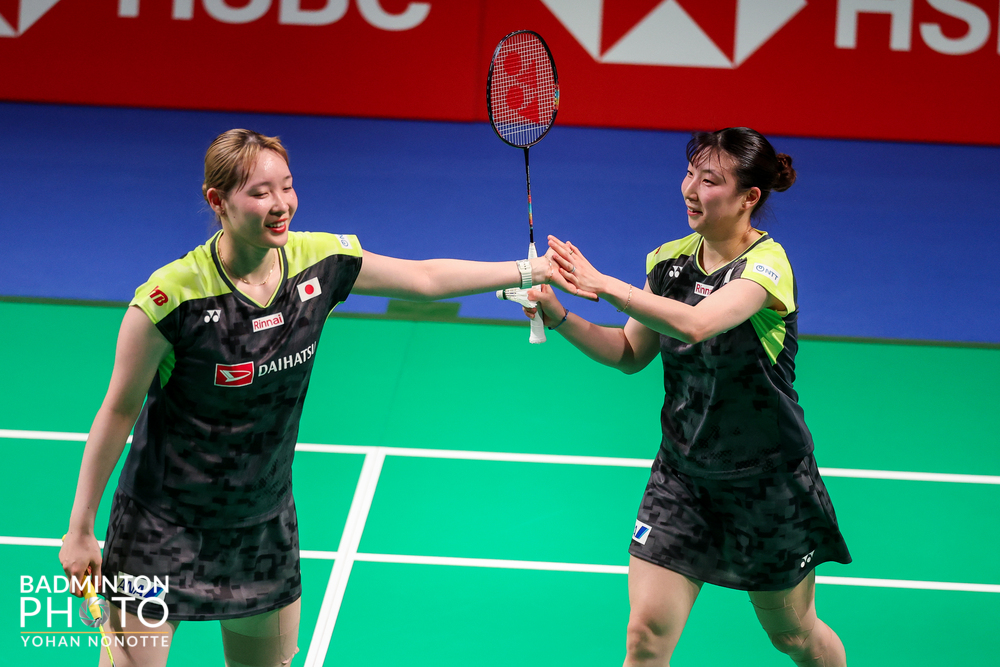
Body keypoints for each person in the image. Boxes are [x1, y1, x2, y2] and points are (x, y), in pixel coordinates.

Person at [58, 128, 573, 667]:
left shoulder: (319, 261)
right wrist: (80, 528)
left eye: (287, 186)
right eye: (260, 192)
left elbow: (423, 278)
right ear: (218, 201)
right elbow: (117, 412)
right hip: (161, 527)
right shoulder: (170, 300)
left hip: (260, 525)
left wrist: (527, 270)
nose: (281, 204)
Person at [526, 127, 851, 666]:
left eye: (710, 180)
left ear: (749, 197)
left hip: (766, 482)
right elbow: (629, 352)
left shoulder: (766, 267)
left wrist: (603, 284)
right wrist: (560, 316)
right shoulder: (667, 263)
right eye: (689, 174)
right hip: (682, 477)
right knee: (645, 635)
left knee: (793, 636)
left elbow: (698, 323)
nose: (691, 190)